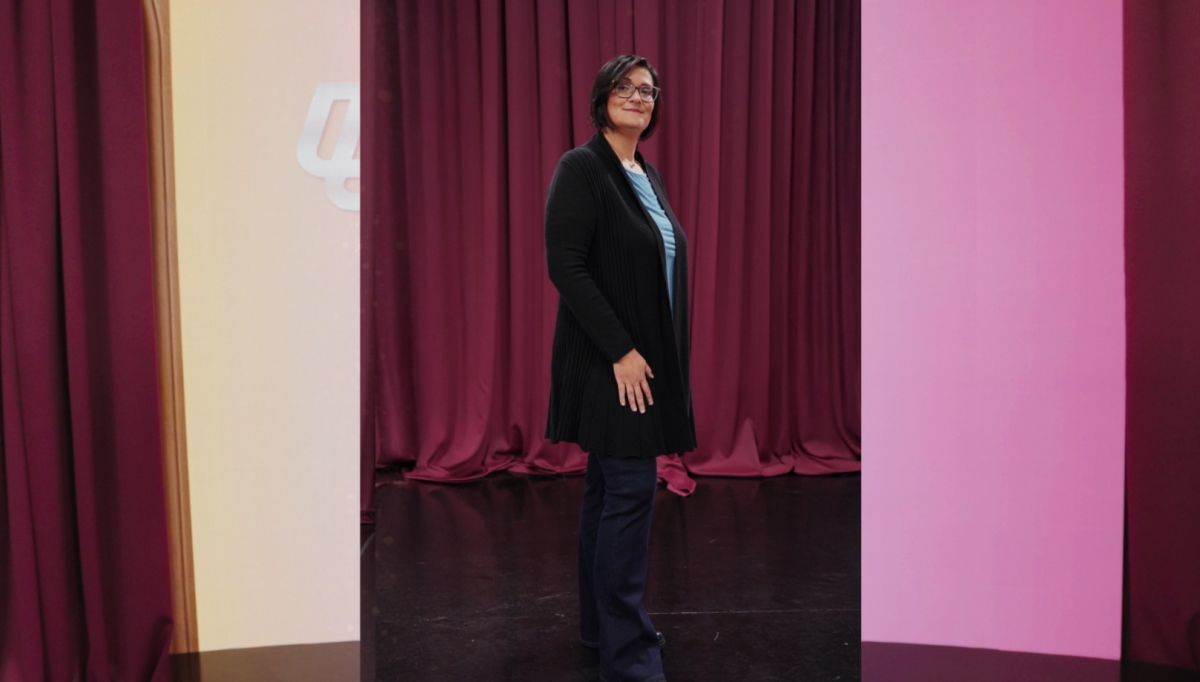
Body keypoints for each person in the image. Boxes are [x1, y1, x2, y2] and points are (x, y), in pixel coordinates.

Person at [544, 54, 697, 682]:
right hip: (610, 362)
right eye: (626, 87)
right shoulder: (581, 168)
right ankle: (630, 655)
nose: (639, 97)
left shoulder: (645, 173)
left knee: (608, 492)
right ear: (602, 97)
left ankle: (600, 629)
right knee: (630, 493)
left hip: (643, 362)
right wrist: (621, 351)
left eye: (648, 90)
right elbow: (566, 265)